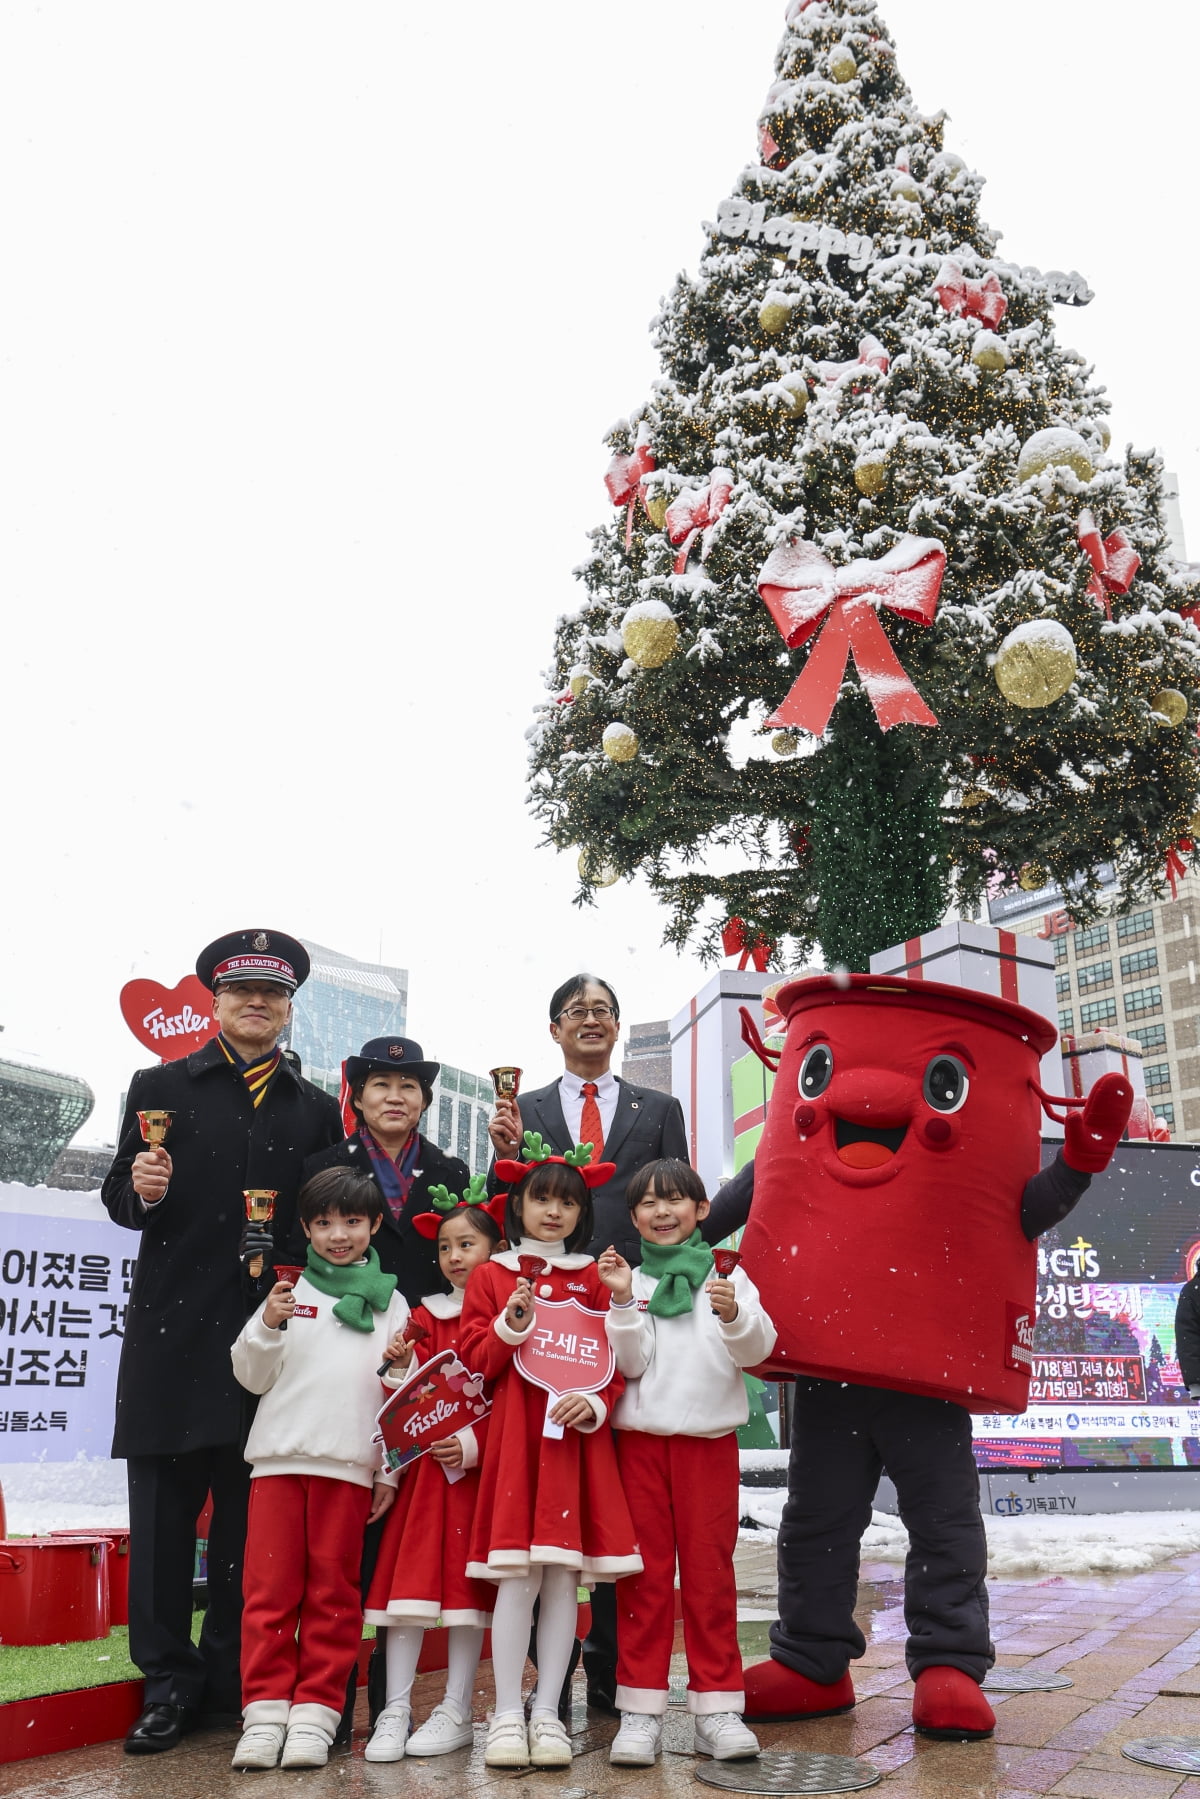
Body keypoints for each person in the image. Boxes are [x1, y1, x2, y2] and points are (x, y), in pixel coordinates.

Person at [101, 929, 343, 1755]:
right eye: (241, 990)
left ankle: (237, 1678)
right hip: (171, 1334)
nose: (256, 1003)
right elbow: (119, 1196)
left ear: (287, 1008)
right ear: (213, 1000)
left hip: (268, 1344)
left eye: (272, 994)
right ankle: (166, 1686)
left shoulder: (314, 1107)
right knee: (165, 1522)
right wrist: (137, 1186)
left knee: (252, 1526)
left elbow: (332, 1221)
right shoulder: (160, 1083)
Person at [487, 973, 687, 1710]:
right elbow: (501, 1204)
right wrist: (501, 1152)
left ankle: (607, 1666)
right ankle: (549, 1679)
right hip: (546, 1317)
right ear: (555, 1029)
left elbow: (676, 1196)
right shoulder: (526, 1109)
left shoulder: (659, 1108)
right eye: (578, 1011)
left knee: (615, 1490)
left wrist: (640, 1290)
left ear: (617, 1025)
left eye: (604, 1010)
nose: (592, 1021)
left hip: (628, 1310)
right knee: (550, 1490)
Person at [459, 1143, 642, 1771]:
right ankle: (508, 1711)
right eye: (542, 1198)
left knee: (564, 1577)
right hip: (516, 1443)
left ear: (584, 1211)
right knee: (517, 1577)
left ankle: (549, 1715)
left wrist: (594, 1403)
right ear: (518, 1205)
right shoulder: (490, 1275)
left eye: (569, 1201)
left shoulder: (597, 1276)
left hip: (573, 1445)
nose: (555, 1212)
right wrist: (510, 1325)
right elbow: (475, 1362)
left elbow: (615, 1363)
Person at [228, 1168, 409, 1771]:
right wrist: (270, 1323)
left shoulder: (393, 1300)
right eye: (324, 1223)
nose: (339, 1235)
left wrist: (389, 1471)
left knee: (335, 1595)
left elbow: (401, 1397)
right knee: (268, 1593)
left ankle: (315, 1716)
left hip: (351, 1467)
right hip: (279, 1461)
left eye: (352, 1222)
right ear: (304, 1227)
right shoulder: (286, 1289)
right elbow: (251, 1377)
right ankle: (263, 1714)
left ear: (375, 1225)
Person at [598, 1160, 775, 1767]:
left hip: (708, 1447)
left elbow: (759, 1351)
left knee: (709, 1578)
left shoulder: (730, 1277)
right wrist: (622, 1304)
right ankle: (640, 1711)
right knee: (642, 1582)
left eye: (676, 1200)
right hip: (640, 1448)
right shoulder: (631, 1280)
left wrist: (732, 1313)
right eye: (648, 1204)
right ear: (633, 1218)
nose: (662, 1212)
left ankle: (718, 1706)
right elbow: (631, 1366)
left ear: (702, 1210)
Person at [363, 1180, 507, 1763]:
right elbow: (402, 1403)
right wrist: (398, 1371)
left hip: (476, 1480)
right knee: (409, 1595)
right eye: (445, 1246)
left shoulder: (510, 1320)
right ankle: (396, 1708)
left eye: (466, 1244)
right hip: (425, 1479)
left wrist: (473, 1446)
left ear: (495, 1250)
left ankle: (455, 1706)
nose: (453, 1256)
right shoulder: (425, 1316)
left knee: (468, 1597)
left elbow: (511, 1401)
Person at [302, 1037, 470, 1307]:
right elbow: (302, 1251)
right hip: (344, 1317)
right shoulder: (321, 1167)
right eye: (381, 1084)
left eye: (408, 1086)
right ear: (358, 1098)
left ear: (424, 1101)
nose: (395, 1097)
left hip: (429, 1323)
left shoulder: (453, 1171)